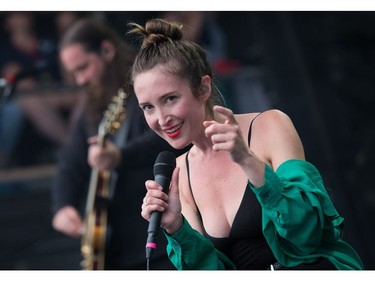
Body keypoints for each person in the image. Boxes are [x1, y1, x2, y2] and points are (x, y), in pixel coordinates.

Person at [128, 18, 364, 270]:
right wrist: (176, 228)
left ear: (203, 88)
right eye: (148, 107)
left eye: (171, 98)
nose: (162, 119)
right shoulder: (179, 173)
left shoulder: (270, 125)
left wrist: (249, 162)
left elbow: (309, 233)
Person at [51, 17, 187, 270]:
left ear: (107, 50)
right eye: (74, 73)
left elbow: (170, 138)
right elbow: (71, 161)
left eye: (83, 68)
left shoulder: (146, 87)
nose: (79, 80)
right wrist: (63, 206)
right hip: (116, 247)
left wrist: (120, 155)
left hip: (162, 236)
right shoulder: (89, 106)